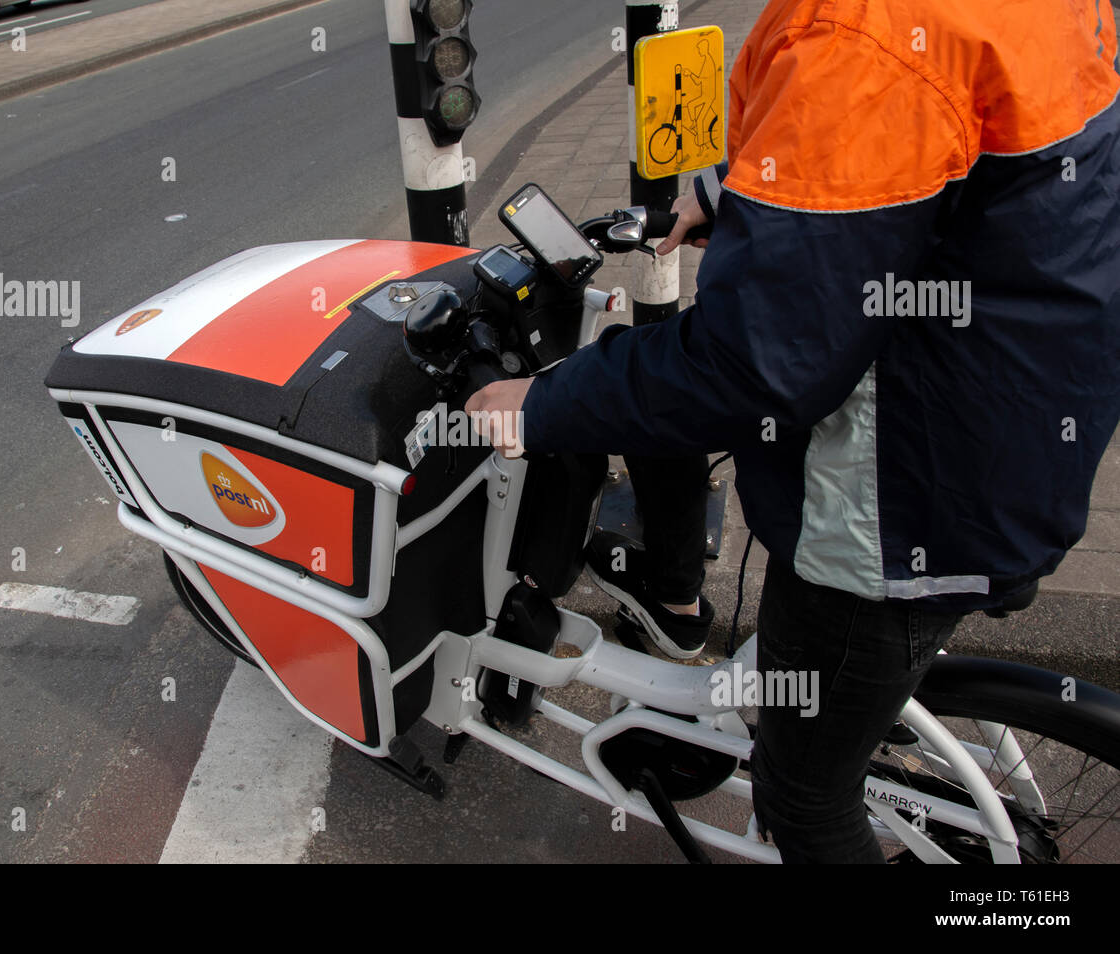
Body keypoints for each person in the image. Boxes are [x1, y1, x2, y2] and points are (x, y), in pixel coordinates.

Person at [467, 0, 1120, 863]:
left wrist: (538, 403)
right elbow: (919, 143)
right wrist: (738, 189)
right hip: (1019, 412)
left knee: (806, 794)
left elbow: (750, 367)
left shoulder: (864, 29)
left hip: (903, 501)